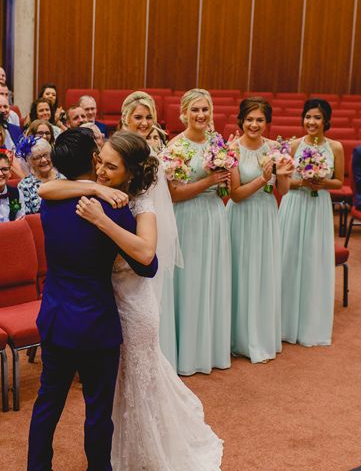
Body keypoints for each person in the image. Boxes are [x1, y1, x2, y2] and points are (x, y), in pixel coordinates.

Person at [45, 131, 227, 471]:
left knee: (137, 383)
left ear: (130, 171)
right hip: (101, 301)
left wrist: (103, 221)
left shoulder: (142, 203)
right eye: (100, 162)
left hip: (133, 304)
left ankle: (144, 459)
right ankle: (112, 463)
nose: (100, 170)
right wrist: (96, 191)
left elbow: (146, 255)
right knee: (109, 390)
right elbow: (48, 189)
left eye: (111, 166)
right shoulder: (96, 190)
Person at [25, 128, 156, 471]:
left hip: (55, 315)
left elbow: (48, 188)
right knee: (98, 408)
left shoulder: (51, 200)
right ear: (94, 161)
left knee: (47, 402)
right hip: (96, 321)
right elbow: (146, 266)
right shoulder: (112, 207)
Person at [168, 88, 232, 376]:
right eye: (195, 110)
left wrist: (223, 180)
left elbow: (226, 189)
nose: (201, 115)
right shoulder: (175, 147)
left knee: (211, 277)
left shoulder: (217, 143)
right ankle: (186, 352)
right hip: (186, 217)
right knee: (190, 279)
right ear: (184, 113)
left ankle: (210, 349)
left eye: (205, 109)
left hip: (214, 215)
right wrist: (209, 180)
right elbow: (175, 194)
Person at [227, 97, 292, 364]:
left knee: (262, 273)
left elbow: (284, 191)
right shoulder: (232, 149)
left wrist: (283, 173)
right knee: (240, 272)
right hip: (240, 216)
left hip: (266, 216)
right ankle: (237, 337)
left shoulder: (275, 148)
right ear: (241, 120)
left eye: (260, 120)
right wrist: (263, 178)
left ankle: (260, 335)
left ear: (267, 122)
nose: (254, 124)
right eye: (249, 119)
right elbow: (236, 194)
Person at [121, 91, 182, 368]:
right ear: (125, 119)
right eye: (138, 117)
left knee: (152, 291)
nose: (144, 123)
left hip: (154, 226)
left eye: (148, 117)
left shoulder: (156, 151)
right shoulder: (121, 148)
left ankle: (153, 352)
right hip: (129, 225)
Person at [279, 98, 344, 347]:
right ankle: (284, 323)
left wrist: (322, 182)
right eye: (308, 116)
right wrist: (302, 182)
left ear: (325, 120)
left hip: (318, 207)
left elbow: (339, 181)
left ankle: (310, 324)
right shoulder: (293, 145)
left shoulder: (335, 147)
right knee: (290, 259)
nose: (312, 122)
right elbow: (283, 181)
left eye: (317, 117)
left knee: (313, 261)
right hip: (294, 204)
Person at [16, 136, 62, 214]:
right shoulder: (24, 186)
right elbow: (23, 216)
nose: (43, 160)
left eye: (46, 155)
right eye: (37, 158)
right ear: (30, 161)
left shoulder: (64, 176)